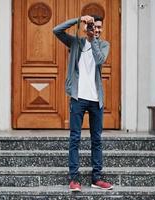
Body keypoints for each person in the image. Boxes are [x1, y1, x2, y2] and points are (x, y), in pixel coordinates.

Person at [53, 15, 113, 192]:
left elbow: (100, 59)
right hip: (78, 98)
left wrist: (93, 38)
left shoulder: (103, 44)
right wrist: (78, 20)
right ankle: (74, 179)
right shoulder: (75, 43)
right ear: (87, 26)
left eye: (99, 27)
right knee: (75, 139)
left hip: (96, 100)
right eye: (93, 26)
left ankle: (97, 178)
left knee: (96, 140)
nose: (97, 29)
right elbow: (56, 30)